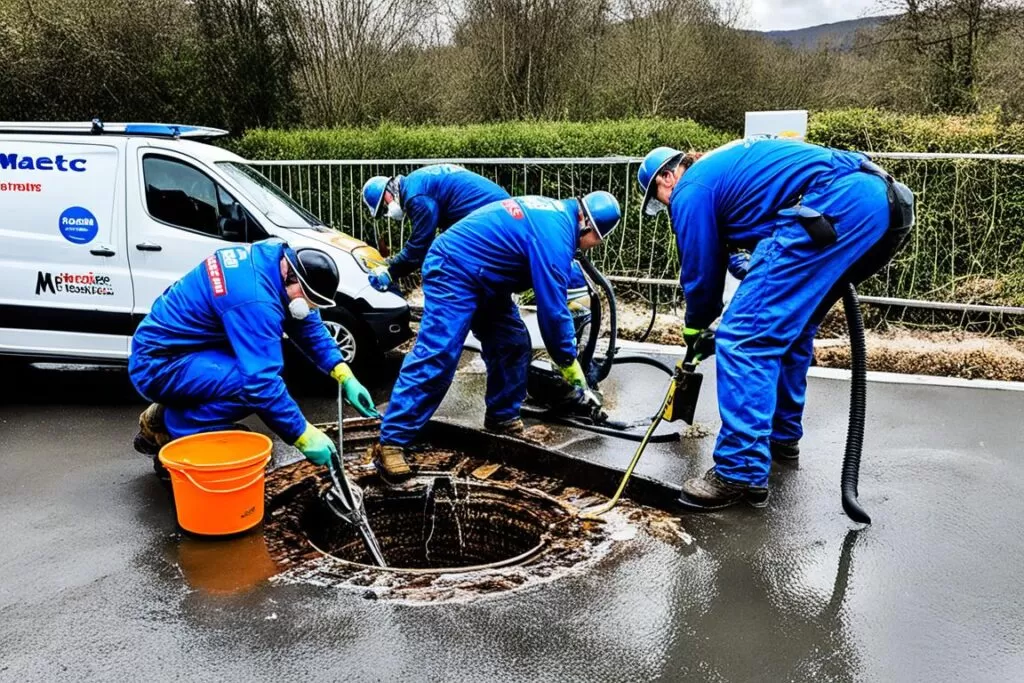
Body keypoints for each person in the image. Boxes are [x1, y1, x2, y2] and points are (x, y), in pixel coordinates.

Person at [637, 137, 913, 510]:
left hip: (834, 204)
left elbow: (700, 270)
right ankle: (781, 437)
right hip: (878, 204)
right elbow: (742, 258)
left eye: (659, 199)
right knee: (791, 328)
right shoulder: (726, 174)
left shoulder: (691, 188)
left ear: (666, 178)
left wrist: (696, 326)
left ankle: (740, 471)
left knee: (744, 337)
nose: (666, 207)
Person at [367, 192, 622, 480]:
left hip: (487, 277)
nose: (589, 248)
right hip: (454, 268)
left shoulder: (556, 217)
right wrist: (568, 361)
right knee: (439, 354)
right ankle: (392, 441)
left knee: (512, 344)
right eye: (595, 241)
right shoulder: (557, 234)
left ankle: (502, 417)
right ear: (586, 225)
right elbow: (553, 311)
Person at [129, 239, 379, 472]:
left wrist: (343, 373)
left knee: (258, 375)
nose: (311, 309)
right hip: (159, 363)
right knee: (251, 386)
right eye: (310, 301)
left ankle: (164, 416)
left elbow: (307, 324)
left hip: (189, 349)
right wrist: (303, 435)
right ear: (292, 277)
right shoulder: (256, 300)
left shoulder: (275, 262)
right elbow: (261, 384)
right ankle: (178, 430)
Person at [360, 164, 512, 291]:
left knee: (454, 280)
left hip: (494, 220)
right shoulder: (415, 183)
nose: (388, 214)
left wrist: (390, 270)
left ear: (387, 192)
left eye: (384, 208)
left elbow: (418, 248)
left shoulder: (416, 198)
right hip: (499, 214)